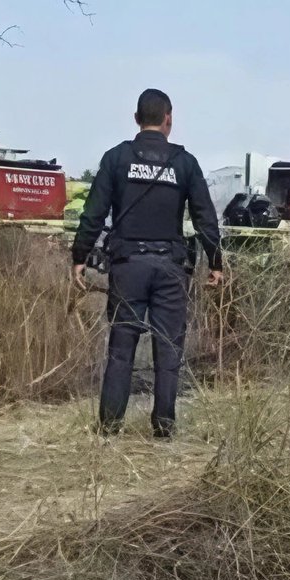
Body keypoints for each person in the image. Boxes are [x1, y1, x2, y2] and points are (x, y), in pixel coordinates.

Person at [71, 89, 223, 438]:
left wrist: (79, 256)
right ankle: (164, 428)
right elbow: (205, 218)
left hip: (127, 266)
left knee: (122, 347)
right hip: (170, 267)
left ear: (136, 118)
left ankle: (109, 428)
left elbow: (93, 213)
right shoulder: (184, 163)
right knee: (169, 349)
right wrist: (216, 262)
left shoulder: (116, 159)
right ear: (168, 119)